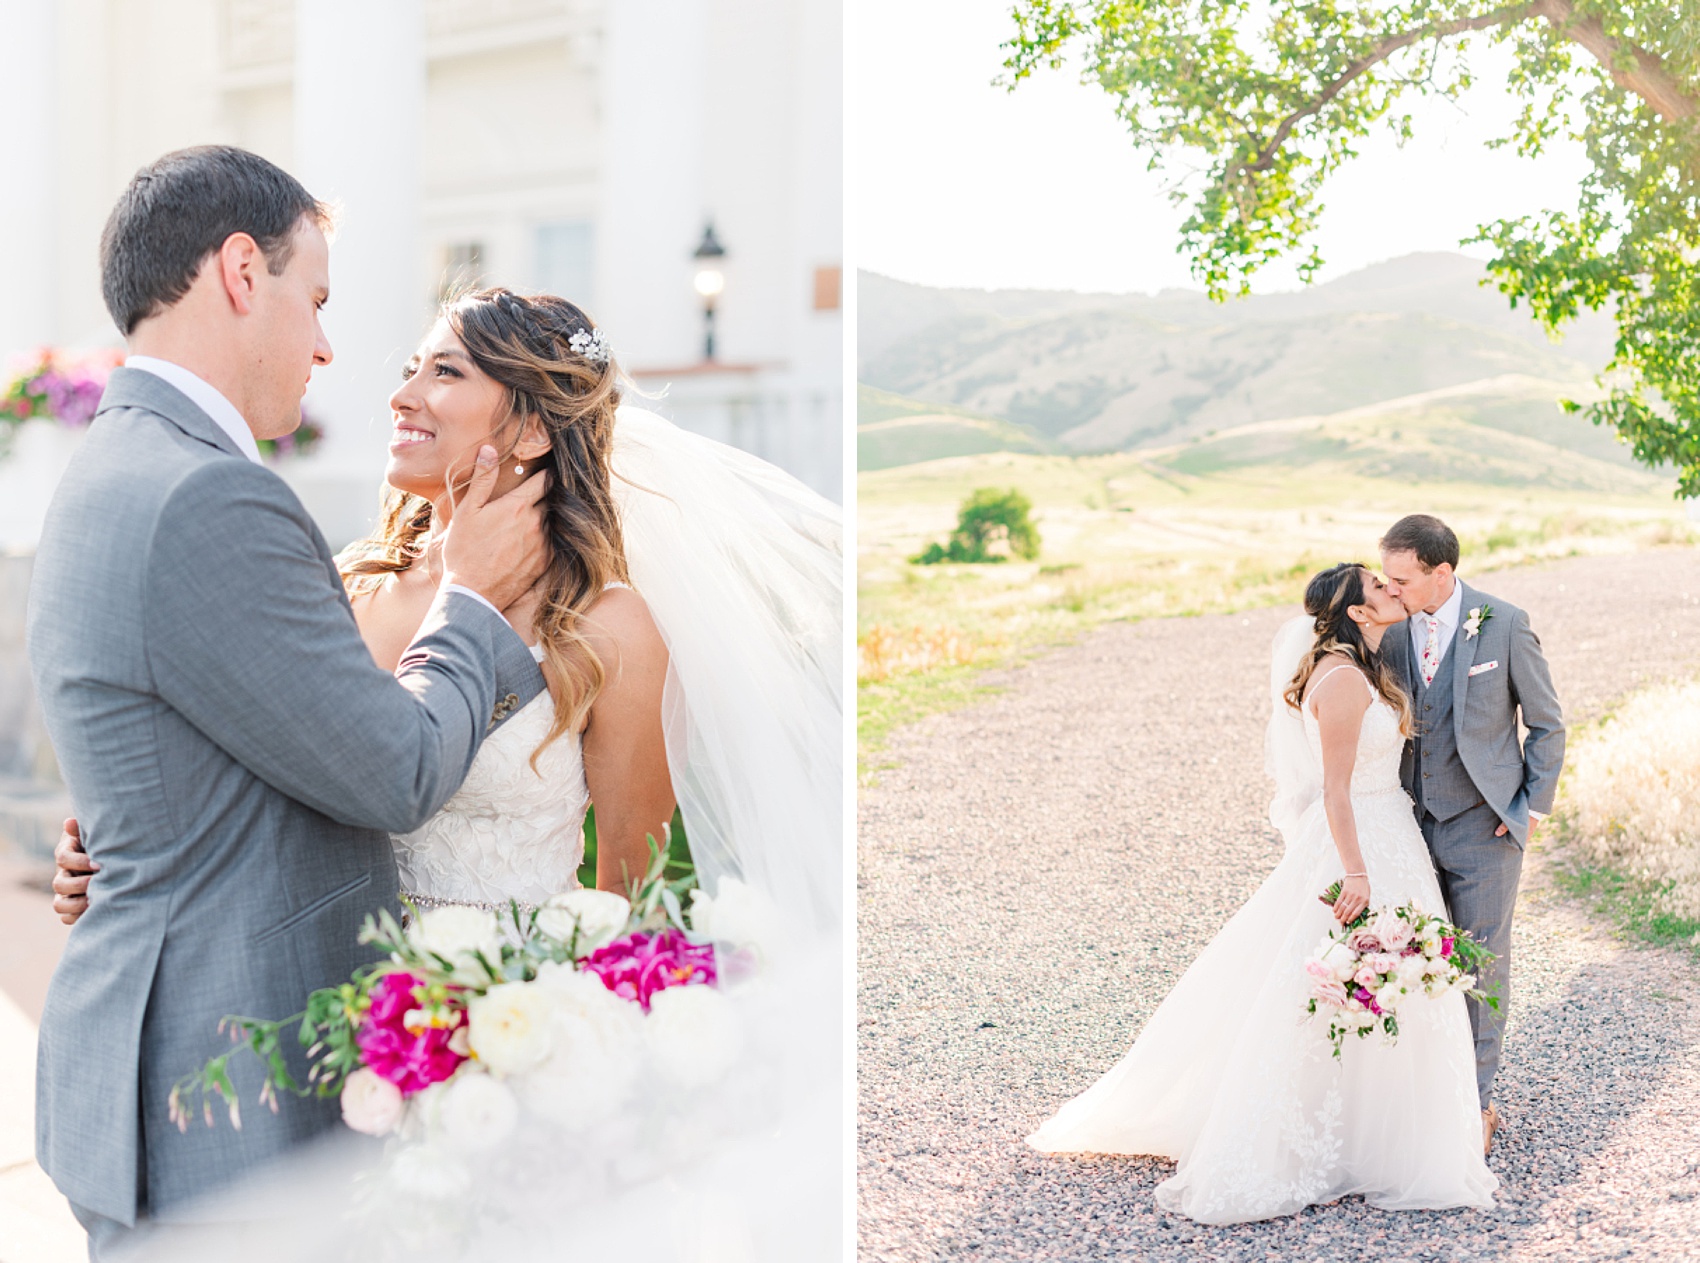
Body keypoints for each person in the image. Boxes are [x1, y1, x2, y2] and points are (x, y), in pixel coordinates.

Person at [28, 146, 550, 1259]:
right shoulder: (212, 493)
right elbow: (395, 772)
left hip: (158, 1078)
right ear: (237, 273)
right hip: (224, 1112)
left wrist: (131, 840)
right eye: (313, 299)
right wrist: (473, 597)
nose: (323, 344)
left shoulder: (107, 463)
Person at [1027, 562, 1496, 1224]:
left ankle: (1378, 1136)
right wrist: (1357, 872)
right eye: (1380, 588)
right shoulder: (1339, 680)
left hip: (1391, 834)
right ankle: (1316, 1142)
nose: (1394, 590)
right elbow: (1336, 790)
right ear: (1358, 613)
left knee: (1383, 984)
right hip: (1361, 844)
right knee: (1335, 985)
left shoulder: (1359, 665)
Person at [1377, 513, 1564, 1154]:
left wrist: (1527, 811)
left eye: (1402, 579)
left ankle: (1475, 1105)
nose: (1390, 589)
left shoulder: (1503, 623)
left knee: (1481, 967)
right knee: (1411, 966)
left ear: (1442, 573)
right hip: (1408, 826)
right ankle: (1419, 1099)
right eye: (1387, 577)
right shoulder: (1391, 630)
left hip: (1485, 828)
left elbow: (1547, 724)